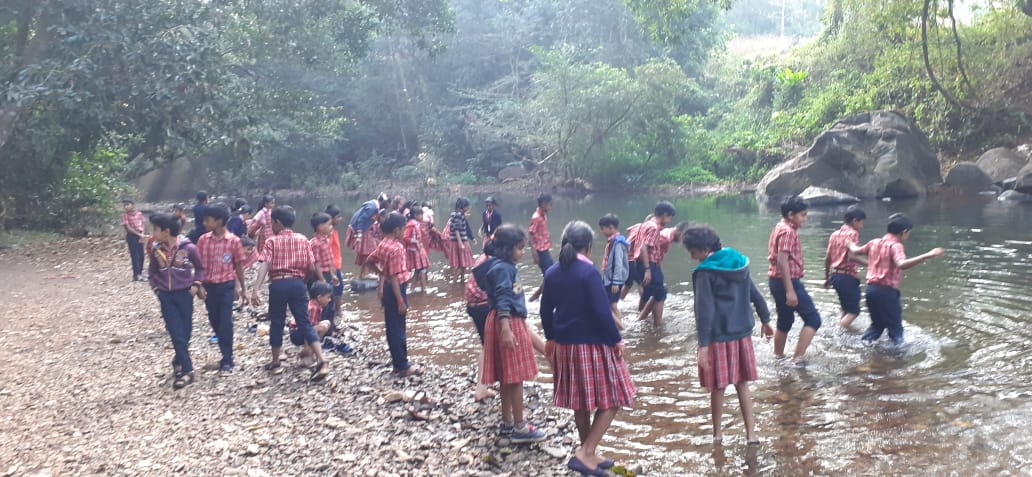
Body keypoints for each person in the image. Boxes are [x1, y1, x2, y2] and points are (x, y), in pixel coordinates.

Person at [540, 221, 634, 475]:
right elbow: (601, 311)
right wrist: (616, 340)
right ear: (589, 246)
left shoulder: (552, 271)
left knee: (580, 401)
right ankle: (586, 452)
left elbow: (545, 310)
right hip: (590, 344)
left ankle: (588, 452)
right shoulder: (588, 272)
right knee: (615, 397)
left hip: (564, 345)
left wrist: (550, 338)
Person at [682, 224, 773, 444]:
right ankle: (751, 434)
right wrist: (766, 319)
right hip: (742, 335)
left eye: (692, 251)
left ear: (704, 249)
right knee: (742, 384)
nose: (691, 256)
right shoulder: (738, 262)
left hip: (719, 336)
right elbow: (754, 293)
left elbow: (704, 310)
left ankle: (717, 434)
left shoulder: (705, 272)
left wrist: (703, 344)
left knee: (718, 386)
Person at [473, 224, 548, 444]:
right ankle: (520, 427)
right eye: (519, 248)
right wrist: (506, 328)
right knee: (515, 378)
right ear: (507, 249)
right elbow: (504, 296)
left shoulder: (495, 266)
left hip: (497, 319)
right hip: (508, 322)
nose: (523, 252)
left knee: (507, 376)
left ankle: (507, 423)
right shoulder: (505, 269)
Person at [249, 205, 330, 380]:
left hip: (278, 284)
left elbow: (265, 265)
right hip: (297, 283)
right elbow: (311, 267)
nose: (272, 226)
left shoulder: (272, 241)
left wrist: (256, 288)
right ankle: (322, 361)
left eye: (272, 223)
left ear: (278, 222)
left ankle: (276, 362)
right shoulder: (303, 239)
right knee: (305, 323)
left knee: (277, 323)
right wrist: (302, 281)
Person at [849, 214, 945, 345]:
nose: (908, 236)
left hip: (871, 290)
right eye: (908, 233)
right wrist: (927, 255)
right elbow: (901, 264)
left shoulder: (874, 242)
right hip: (887, 292)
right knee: (896, 329)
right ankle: (898, 355)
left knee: (877, 325)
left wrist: (849, 243)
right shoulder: (896, 246)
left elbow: (856, 250)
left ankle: (862, 347)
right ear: (904, 232)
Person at [147, 212, 206, 389]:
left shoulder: (188, 248)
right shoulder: (156, 250)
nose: (153, 233)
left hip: (184, 294)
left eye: (155, 229)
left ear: (166, 232)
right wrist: (156, 289)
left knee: (186, 331)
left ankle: (177, 361)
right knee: (175, 331)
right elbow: (152, 272)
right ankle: (188, 370)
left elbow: (200, 268)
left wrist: (195, 285)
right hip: (166, 296)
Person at [365, 212, 421, 377]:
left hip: (388, 288)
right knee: (398, 327)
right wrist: (400, 301)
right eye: (404, 229)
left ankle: (398, 362)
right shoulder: (397, 248)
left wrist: (382, 275)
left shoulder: (383, 243)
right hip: (396, 289)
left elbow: (369, 261)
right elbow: (395, 277)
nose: (404, 232)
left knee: (392, 326)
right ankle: (402, 365)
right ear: (397, 230)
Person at [767, 196, 821, 364]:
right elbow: (782, 261)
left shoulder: (779, 226)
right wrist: (790, 291)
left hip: (776, 280)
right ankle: (796, 359)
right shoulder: (788, 232)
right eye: (803, 215)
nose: (805, 219)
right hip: (787, 282)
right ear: (791, 215)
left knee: (785, 321)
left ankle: (778, 357)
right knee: (813, 319)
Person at [196, 203, 247, 375]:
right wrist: (199, 285)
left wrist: (241, 288)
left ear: (219, 221)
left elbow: (238, 266)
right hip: (209, 286)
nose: (204, 223)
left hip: (226, 285)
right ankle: (223, 346)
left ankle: (227, 358)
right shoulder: (203, 240)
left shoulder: (234, 241)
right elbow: (198, 265)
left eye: (207, 220)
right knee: (214, 319)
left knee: (226, 321)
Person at [824, 206, 868, 328]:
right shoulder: (853, 234)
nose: (862, 226)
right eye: (861, 222)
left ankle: (845, 330)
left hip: (835, 276)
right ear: (855, 221)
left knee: (845, 308)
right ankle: (839, 331)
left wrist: (826, 278)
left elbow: (827, 258)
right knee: (854, 312)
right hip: (847, 277)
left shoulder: (834, 234)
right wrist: (870, 264)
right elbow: (852, 257)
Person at [635, 202, 677, 325]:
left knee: (650, 292)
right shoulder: (653, 228)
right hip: (649, 264)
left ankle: (641, 318)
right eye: (670, 217)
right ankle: (657, 326)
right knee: (660, 294)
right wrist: (648, 269)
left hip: (642, 263)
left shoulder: (646, 224)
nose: (669, 221)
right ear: (664, 215)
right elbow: (643, 247)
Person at [466, 253, 496, 401]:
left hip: (474, 306)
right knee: (488, 346)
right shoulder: (498, 263)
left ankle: (482, 387)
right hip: (483, 306)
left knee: (487, 345)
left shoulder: (484, 258)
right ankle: (481, 388)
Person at [289, 281, 335, 367]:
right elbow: (308, 330)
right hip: (297, 333)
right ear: (319, 297)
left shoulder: (315, 304)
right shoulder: (313, 308)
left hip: (299, 330)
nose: (330, 300)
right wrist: (308, 345)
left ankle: (311, 348)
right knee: (323, 327)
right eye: (328, 297)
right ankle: (308, 351)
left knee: (327, 323)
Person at [598, 214, 629, 330]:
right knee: (610, 304)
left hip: (614, 280)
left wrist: (615, 281)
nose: (601, 231)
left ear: (610, 227)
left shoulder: (618, 243)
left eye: (603, 228)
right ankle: (617, 325)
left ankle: (621, 328)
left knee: (612, 304)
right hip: (609, 278)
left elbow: (618, 263)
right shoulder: (612, 241)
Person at [347, 193, 388, 278]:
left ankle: (363, 274)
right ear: (381, 201)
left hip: (364, 230)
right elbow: (361, 220)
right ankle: (366, 273)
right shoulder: (372, 207)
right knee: (370, 250)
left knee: (366, 251)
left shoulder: (374, 207)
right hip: (359, 230)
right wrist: (359, 234)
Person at [310, 212, 342, 316]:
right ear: (320, 227)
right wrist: (322, 280)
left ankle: (330, 322)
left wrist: (333, 275)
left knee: (330, 300)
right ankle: (322, 321)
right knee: (323, 302)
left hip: (328, 274)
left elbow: (329, 260)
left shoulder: (326, 240)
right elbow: (316, 264)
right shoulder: (315, 243)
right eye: (329, 225)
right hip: (321, 275)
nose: (331, 227)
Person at [325, 205, 346, 315]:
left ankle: (337, 310)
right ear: (331, 218)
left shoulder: (333, 232)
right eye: (338, 217)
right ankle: (337, 310)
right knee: (338, 289)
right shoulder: (329, 233)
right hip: (332, 266)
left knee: (338, 288)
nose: (340, 219)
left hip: (336, 265)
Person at [448, 197, 476, 282]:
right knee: (461, 265)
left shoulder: (458, 215)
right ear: (462, 206)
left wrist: (472, 238)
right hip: (460, 242)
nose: (468, 208)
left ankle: (462, 281)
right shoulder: (458, 215)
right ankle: (454, 283)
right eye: (466, 206)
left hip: (459, 241)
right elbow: (456, 230)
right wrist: (460, 243)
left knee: (463, 264)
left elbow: (465, 228)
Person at [404, 206, 431, 292]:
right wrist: (415, 241)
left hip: (418, 249)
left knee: (418, 269)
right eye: (421, 215)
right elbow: (405, 237)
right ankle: (424, 288)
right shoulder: (411, 225)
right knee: (422, 268)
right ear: (416, 215)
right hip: (415, 250)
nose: (422, 216)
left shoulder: (416, 223)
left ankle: (412, 289)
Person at [121, 199, 147, 282]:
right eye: (124, 205)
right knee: (135, 255)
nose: (126, 207)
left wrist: (142, 233)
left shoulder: (139, 214)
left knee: (141, 255)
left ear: (133, 205)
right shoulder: (125, 216)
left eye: (127, 205)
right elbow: (128, 228)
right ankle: (136, 275)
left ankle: (140, 273)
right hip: (132, 236)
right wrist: (139, 234)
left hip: (140, 235)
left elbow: (143, 224)